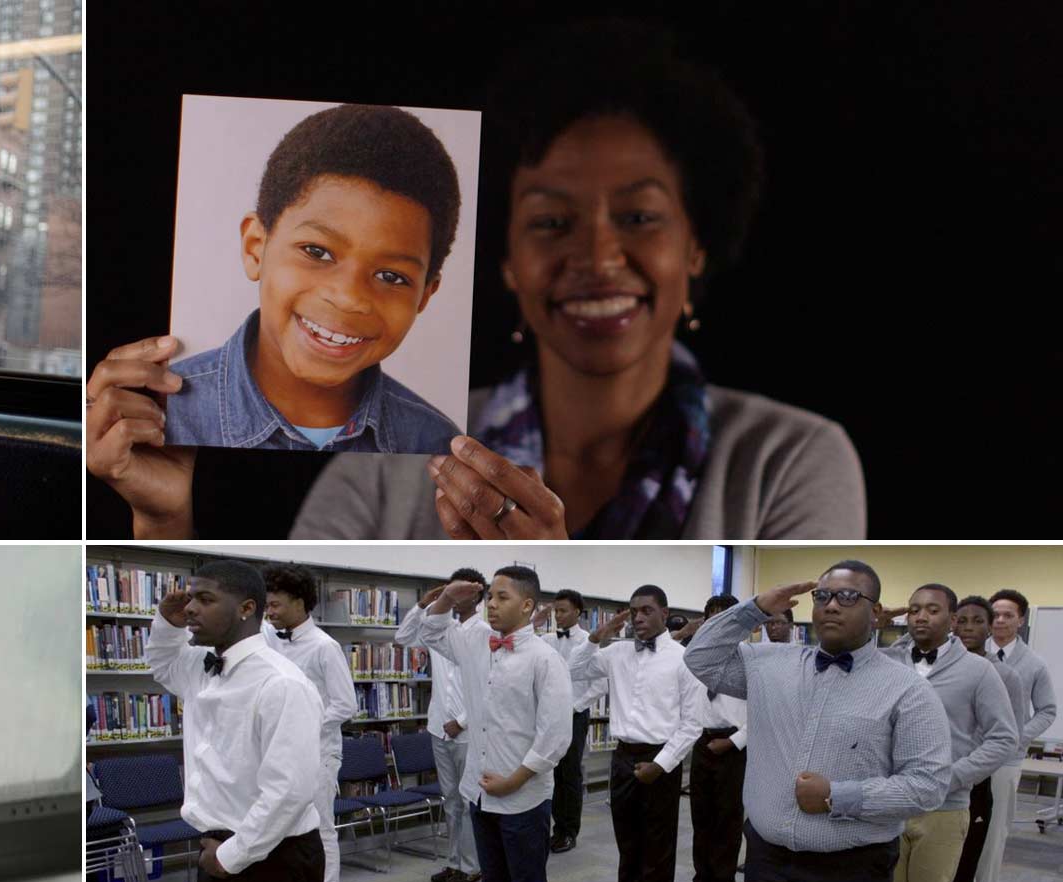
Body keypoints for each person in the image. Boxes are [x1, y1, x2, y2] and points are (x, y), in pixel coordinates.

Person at [86, 22, 861, 541]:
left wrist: (540, 600)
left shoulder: (789, 462)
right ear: (507, 261)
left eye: (639, 218)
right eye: (552, 223)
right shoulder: (381, 468)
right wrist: (162, 518)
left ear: (697, 245)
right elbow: (283, 670)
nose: (596, 256)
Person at [684, 561, 951, 882]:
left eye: (848, 597)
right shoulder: (769, 666)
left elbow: (927, 784)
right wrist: (757, 606)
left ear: (876, 613)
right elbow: (700, 655)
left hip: (849, 869)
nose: (830, 604)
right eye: (823, 594)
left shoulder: (906, 689)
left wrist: (838, 796)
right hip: (767, 862)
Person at [158, 105, 463, 454]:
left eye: (390, 276)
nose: (348, 296)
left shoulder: (438, 446)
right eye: (317, 252)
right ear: (256, 248)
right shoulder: (161, 413)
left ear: (425, 295)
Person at [145, 560, 326, 882]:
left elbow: (288, 791)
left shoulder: (281, 683)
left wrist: (229, 856)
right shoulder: (203, 667)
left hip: (269, 859)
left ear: (247, 608)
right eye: (189, 598)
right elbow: (161, 663)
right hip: (218, 852)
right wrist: (165, 621)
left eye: (204, 599)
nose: (191, 609)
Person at [412, 567, 572, 882]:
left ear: (527, 606)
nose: (492, 605)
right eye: (490, 597)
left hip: (523, 797)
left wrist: (516, 778)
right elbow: (430, 630)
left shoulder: (544, 659)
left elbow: (555, 735)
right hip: (479, 795)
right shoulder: (477, 640)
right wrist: (446, 597)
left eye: (502, 597)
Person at [858, 584, 1018, 882]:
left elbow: (1003, 738)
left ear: (952, 618)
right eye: (914, 609)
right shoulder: (888, 663)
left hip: (944, 808)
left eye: (933, 610)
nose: (921, 617)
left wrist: (951, 775)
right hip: (891, 804)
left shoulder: (977, 672)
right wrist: (875, 623)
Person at [564, 584, 703, 882]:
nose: (639, 618)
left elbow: (692, 724)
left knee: (657, 846)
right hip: (623, 756)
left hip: (662, 758)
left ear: (664, 612)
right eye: (633, 611)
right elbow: (573, 669)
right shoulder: (617, 654)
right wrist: (596, 637)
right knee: (627, 843)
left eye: (646, 611)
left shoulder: (683, 659)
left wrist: (661, 765)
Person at [263, 563, 358, 882]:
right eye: (266, 605)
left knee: (321, 830)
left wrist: (301, 725)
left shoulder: (324, 647)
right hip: (278, 753)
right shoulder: (270, 639)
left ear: (300, 603)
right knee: (283, 831)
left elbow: (345, 705)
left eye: (275, 605)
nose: (269, 612)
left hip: (318, 753)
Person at [939, 596, 1029, 882]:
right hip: (928, 778)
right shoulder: (937, 666)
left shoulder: (1005, 675)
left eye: (978, 621)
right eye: (961, 620)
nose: (968, 628)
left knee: (964, 860)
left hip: (973, 782)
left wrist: (967, 770)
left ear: (990, 627)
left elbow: (1010, 733)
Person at [396, 568, 490, 882]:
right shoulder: (438, 627)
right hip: (439, 727)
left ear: (476, 594)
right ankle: (454, 862)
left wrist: (461, 720)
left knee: (467, 799)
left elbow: (488, 685)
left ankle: (472, 864)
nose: (454, 595)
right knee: (449, 800)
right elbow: (403, 637)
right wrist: (423, 605)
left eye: (460, 590)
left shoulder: (485, 632)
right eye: (451, 589)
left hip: (467, 730)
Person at [969, 587, 1057, 882]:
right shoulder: (969, 652)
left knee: (993, 830)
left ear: (1021, 620)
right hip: (967, 754)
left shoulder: (1033, 665)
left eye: (1009, 615)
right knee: (955, 824)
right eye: (997, 614)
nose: (1001, 620)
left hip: (1004, 759)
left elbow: (1047, 710)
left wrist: (1017, 737)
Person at [681, 594, 749, 882]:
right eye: (711, 617)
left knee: (727, 818)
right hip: (702, 742)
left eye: (724, 617)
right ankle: (702, 880)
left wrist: (734, 742)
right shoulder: (694, 659)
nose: (715, 624)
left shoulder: (751, 659)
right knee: (701, 816)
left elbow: (763, 711)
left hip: (734, 745)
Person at [540, 588, 605, 852]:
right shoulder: (546, 640)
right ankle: (554, 827)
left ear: (577, 612)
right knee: (549, 772)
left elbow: (599, 686)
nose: (558, 616)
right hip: (548, 714)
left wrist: (574, 707)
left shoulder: (589, 642)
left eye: (563, 610)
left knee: (570, 774)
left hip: (575, 715)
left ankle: (569, 831)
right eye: (555, 611)